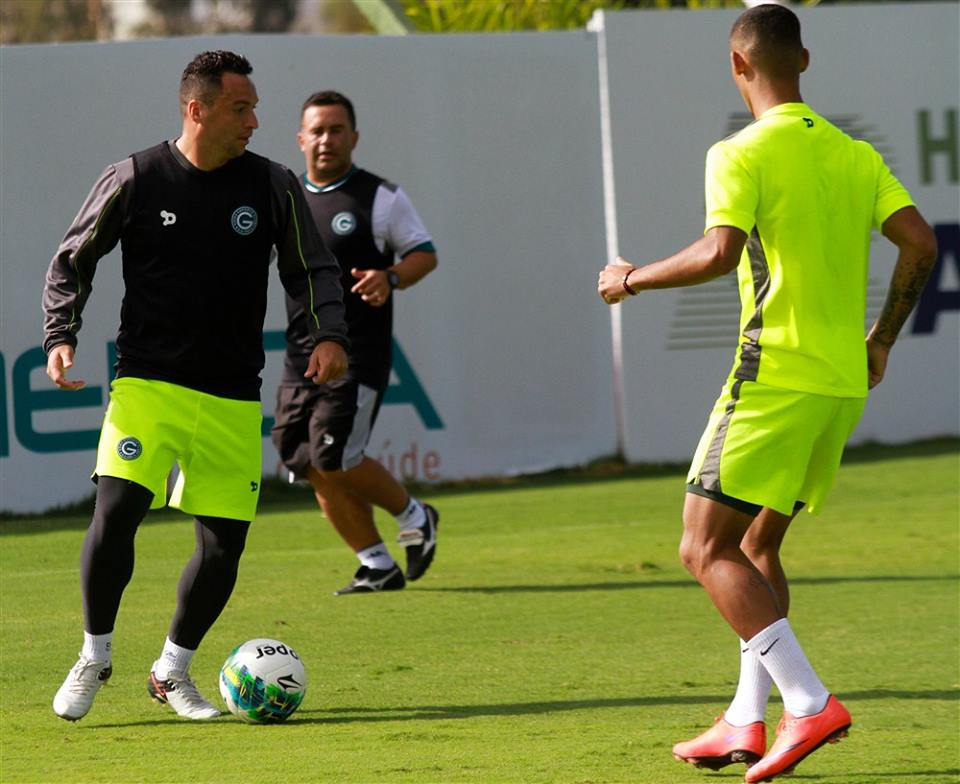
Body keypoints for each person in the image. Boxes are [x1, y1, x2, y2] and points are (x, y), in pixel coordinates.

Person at [597, 5, 937, 782]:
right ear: (804, 61)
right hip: (840, 383)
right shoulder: (854, 154)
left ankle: (807, 701)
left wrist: (630, 279)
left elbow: (720, 254)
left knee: (702, 546)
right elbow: (920, 241)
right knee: (756, 549)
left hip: (773, 378)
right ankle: (746, 721)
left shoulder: (738, 151)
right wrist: (880, 338)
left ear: (737, 66)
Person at [44, 51, 349, 722]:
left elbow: (311, 269)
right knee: (117, 510)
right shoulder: (136, 176)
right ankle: (94, 655)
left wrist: (328, 334)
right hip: (147, 384)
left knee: (223, 543)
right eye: (241, 108)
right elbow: (74, 257)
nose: (254, 121)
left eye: (253, 108)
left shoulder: (272, 184)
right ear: (197, 108)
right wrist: (60, 333)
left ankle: (172, 671)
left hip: (233, 392)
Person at [271, 91, 439, 596]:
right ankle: (376, 564)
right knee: (300, 457)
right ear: (301, 139)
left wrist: (390, 276)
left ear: (354, 137)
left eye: (336, 130)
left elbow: (424, 255)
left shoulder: (379, 198)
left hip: (358, 354)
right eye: (316, 131)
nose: (326, 140)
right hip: (301, 354)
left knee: (335, 455)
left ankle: (415, 515)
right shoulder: (283, 198)